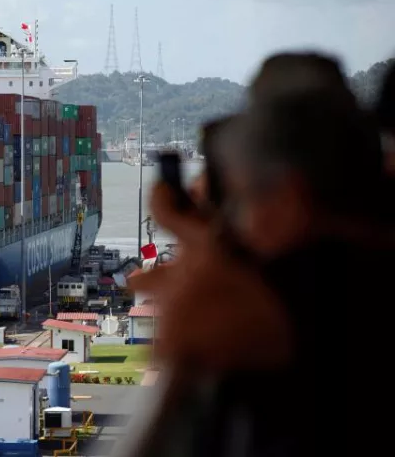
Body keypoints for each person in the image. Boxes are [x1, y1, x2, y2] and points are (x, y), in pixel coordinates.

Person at [125, 52, 393, 456]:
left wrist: (190, 342)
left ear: (287, 200)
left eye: (240, 199)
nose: (231, 219)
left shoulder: (265, 311)